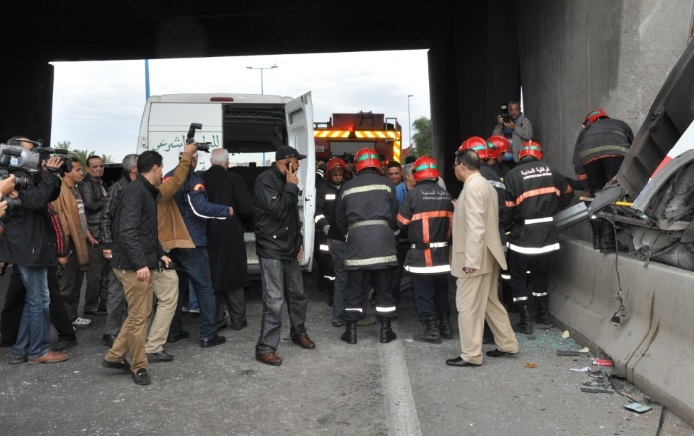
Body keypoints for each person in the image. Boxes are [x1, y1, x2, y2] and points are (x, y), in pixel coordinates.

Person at [102, 150, 171, 386]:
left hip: (137, 263)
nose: (162, 172)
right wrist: (141, 263)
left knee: (138, 315)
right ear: (155, 168)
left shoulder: (143, 190)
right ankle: (139, 366)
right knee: (139, 318)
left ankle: (114, 356)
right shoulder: (136, 192)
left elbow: (146, 230)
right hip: (132, 266)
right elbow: (127, 231)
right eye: (161, 168)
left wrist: (160, 253)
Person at [446, 149, 519, 367]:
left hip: (475, 258)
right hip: (488, 254)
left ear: (461, 166)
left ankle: (471, 354)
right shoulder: (485, 184)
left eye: (455, 166)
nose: (454, 170)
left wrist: (470, 261)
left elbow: (476, 226)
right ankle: (507, 343)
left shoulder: (472, 188)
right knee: (490, 303)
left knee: (467, 306)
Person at [1, 135, 69, 365]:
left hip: (32, 245)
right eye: (32, 151)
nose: (36, 155)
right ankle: (38, 350)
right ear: (17, 153)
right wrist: (48, 175)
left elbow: (49, 195)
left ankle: (20, 350)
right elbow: (37, 201)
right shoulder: (11, 177)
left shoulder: (27, 175)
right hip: (27, 247)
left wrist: (46, 173)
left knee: (34, 300)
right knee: (40, 301)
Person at [253, 145, 315, 366]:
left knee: (298, 294)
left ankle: (298, 333)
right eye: (296, 161)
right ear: (287, 161)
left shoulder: (288, 181)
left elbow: (290, 216)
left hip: (289, 247)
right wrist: (290, 187)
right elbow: (277, 210)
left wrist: (298, 241)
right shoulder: (265, 180)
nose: (299, 165)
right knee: (274, 300)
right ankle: (265, 348)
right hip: (271, 248)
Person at [504, 141, 573, 333]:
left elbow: (508, 209)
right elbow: (568, 193)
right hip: (547, 235)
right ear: (538, 155)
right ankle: (542, 313)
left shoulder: (512, 175)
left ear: (520, 155)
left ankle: (525, 320)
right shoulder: (552, 171)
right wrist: (555, 208)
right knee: (541, 274)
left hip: (523, 237)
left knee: (517, 276)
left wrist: (507, 226)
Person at [165, 149, 231, 348]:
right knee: (204, 289)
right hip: (192, 242)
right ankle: (208, 334)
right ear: (193, 160)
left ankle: (174, 331)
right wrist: (225, 210)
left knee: (177, 288)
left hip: (172, 242)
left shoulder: (168, 178)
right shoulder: (193, 179)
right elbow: (199, 207)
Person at [335, 147, 399, 345]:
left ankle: (351, 332)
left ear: (357, 165)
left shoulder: (346, 187)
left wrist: (351, 234)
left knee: (354, 289)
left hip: (356, 244)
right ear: (377, 165)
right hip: (383, 245)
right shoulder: (388, 185)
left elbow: (339, 219)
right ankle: (385, 331)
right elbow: (395, 216)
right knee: (384, 290)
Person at [145, 142, 198, 362]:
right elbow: (177, 180)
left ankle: (131, 347)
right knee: (168, 295)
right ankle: (153, 345)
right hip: (154, 252)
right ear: (156, 168)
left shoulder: (130, 190)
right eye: (161, 168)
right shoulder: (156, 193)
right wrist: (187, 156)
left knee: (144, 303)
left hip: (140, 254)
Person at [396, 156, 454, 344]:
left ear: (416, 174)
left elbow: (401, 223)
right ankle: (446, 327)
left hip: (421, 255)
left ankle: (431, 331)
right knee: (441, 290)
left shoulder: (412, 195)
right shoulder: (446, 195)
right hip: (443, 256)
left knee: (423, 293)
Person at [201, 148, 253, 332]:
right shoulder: (235, 179)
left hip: (207, 234)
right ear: (227, 162)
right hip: (231, 234)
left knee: (212, 278)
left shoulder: (201, 179)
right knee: (234, 277)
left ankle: (216, 320)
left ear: (210, 161)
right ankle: (238, 320)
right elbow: (247, 208)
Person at [573, 109, 633, 253]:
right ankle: (609, 242)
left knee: (596, 197)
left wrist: (587, 187)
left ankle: (598, 240)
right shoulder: (620, 124)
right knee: (611, 195)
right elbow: (634, 149)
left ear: (590, 121)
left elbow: (577, 162)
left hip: (589, 158)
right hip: (616, 154)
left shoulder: (586, 131)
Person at [99, 154, 138, 347]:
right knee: (116, 292)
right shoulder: (117, 188)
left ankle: (128, 331)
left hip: (133, 247)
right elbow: (105, 217)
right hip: (118, 247)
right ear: (133, 168)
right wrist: (107, 245)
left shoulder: (138, 187)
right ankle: (110, 333)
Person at [52, 156, 92, 327]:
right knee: (66, 286)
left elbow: (81, 217)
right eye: (77, 170)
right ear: (66, 172)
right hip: (68, 244)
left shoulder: (76, 189)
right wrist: (62, 251)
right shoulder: (59, 192)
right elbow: (59, 223)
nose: (81, 172)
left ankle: (73, 316)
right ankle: (64, 324)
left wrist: (88, 235)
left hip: (79, 242)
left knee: (76, 283)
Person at [315, 157, 347, 326]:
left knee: (344, 267)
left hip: (344, 234)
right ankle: (331, 293)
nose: (338, 177)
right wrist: (324, 225)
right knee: (328, 267)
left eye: (340, 173)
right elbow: (317, 211)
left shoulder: (348, 187)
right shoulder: (322, 188)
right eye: (335, 174)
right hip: (327, 234)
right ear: (329, 175)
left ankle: (340, 297)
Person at [79, 155, 109, 316]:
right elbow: (90, 205)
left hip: (103, 233)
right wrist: (109, 199)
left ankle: (103, 305)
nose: (99, 169)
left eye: (101, 166)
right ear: (88, 169)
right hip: (94, 234)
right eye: (95, 166)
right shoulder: (86, 184)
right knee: (95, 274)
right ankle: (90, 307)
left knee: (105, 273)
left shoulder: (101, 183)